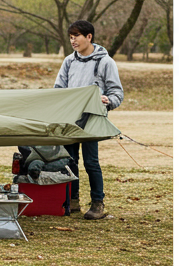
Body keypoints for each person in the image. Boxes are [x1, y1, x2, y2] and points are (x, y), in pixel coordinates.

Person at [54, 20, 124, 220]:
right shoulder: (69, 61)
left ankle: (97, 204)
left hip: (93, 120)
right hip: (70, 119)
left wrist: (107, 100)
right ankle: (72, 200)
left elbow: (117, 93)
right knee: (69, 160)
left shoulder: (105, 62)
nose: (73, 40)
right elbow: (59, 89)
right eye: (70, 37)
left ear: (89, 37)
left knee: (91, 162)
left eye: (76, 36)